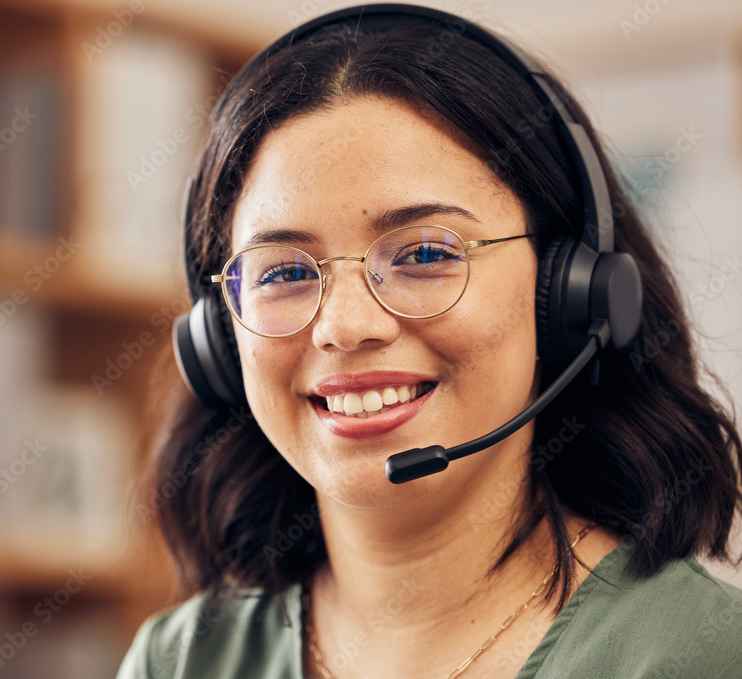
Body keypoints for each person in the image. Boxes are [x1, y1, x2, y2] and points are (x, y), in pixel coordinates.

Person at [116, 5, 742, 678]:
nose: (345, 326)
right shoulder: (180, 659)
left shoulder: (696, 653)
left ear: (571, 294)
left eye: (422, 254)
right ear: (218, 335)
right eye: (286, 271)